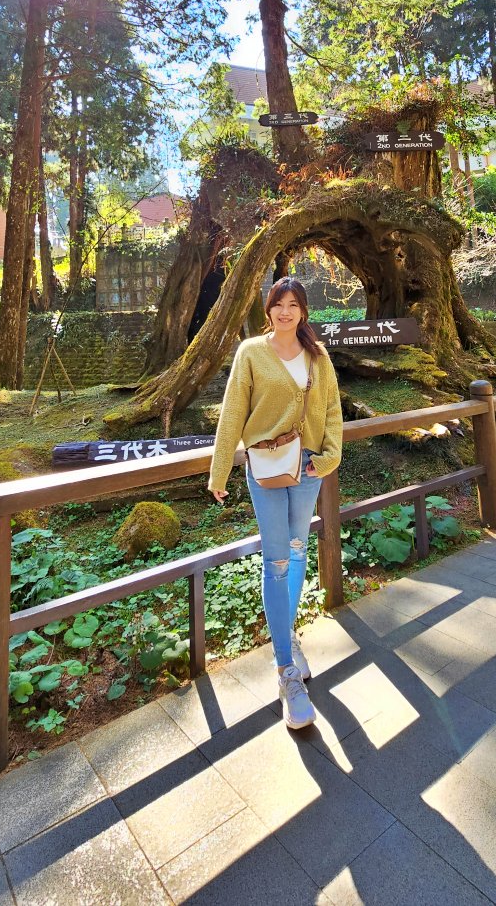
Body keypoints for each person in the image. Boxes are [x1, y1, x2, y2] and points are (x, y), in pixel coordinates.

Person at [209, 277, 343, 729]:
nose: (285, 312)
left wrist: (328, 459)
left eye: (294, 305)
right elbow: (232, 413)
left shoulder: (318, 357)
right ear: (268, 310)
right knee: (277, 561)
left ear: (304, 311)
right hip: (265, 467)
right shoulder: (251, 352)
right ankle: (286, 670)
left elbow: (332, 412)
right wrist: (219, 470)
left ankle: (285, 638)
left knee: (300, 549)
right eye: (278, 305)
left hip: (306, 467)